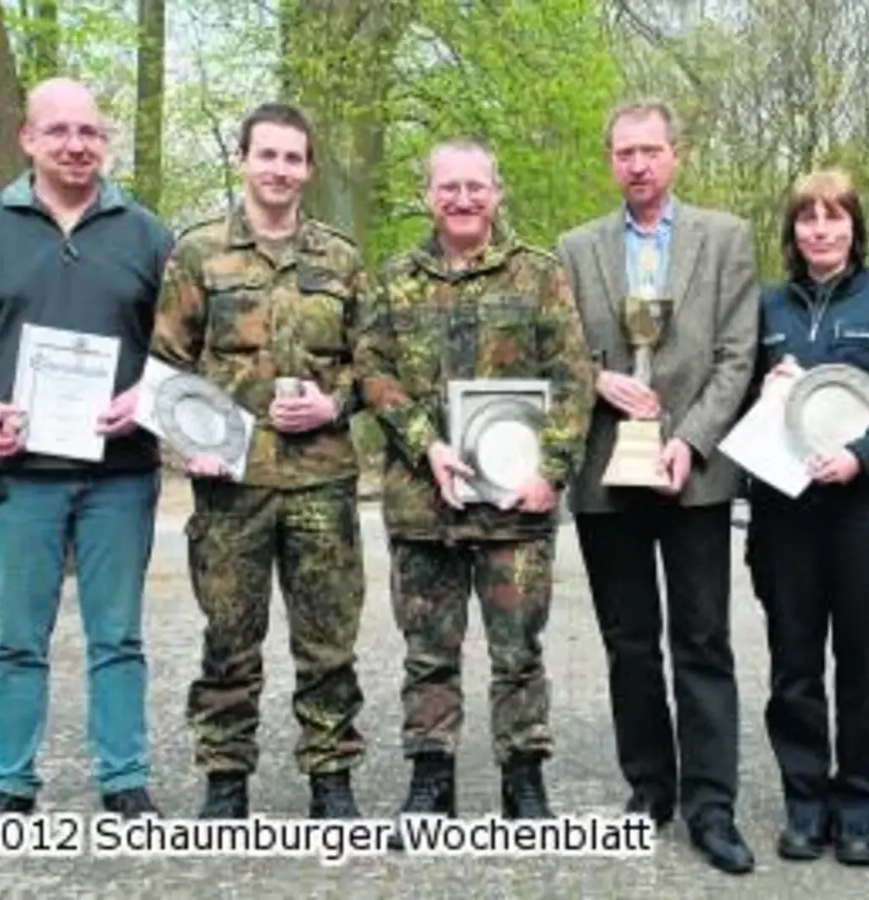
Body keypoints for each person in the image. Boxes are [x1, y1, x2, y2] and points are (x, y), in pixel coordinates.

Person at [0, 77, 174, 819]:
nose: (76, 145)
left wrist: (146, 399)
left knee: (118, 637)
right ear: (27, 139)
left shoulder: (148, 234)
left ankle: (125, 777)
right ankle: (9, 780)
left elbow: (184, 347)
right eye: (59, 131)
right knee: (16, 639)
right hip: (17, 471)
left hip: (120, 475)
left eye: (90, 132)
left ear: (107, 141)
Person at [118, 103, 371, 820]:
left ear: (309, 169)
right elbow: (165, 363)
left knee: (328, 638)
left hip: (321, 480)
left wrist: (334, 404)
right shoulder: (199, 254)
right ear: (244, 159)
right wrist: (187, 441)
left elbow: (373, 364)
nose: (281, 170)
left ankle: (330, 777)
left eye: (294, 158)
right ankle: (226, 779)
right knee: (229, 637)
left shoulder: (341, 260)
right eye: (269, 156)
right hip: (230, 485)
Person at [354, 138, 595, 837]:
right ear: (427, 194)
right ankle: (432, 779)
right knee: (428, 653)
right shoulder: (395, 278)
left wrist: (552, 473)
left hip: (515, 510)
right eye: (448, 187)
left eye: (476, 187)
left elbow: (573, 378)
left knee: (519, 653)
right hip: (424, 502)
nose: (463, 199)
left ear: (499, 191)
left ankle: (524, 782)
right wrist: (425, 443)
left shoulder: (539, 276)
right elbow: (371, 369)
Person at [555, 99, 760, 875]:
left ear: (677, 154)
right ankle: (649, 789)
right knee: (628, 644)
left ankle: (713, 806)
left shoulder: (727, 238)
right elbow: (557, 350)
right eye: (624, 153)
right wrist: (596, 379)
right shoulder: (574, 249)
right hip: (608, 474)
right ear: (610, 161)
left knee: (703, 641)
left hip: (694, 476)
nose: (637, 164)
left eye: (651, 150)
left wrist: (690, 441)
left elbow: (737, 356)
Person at [743, 169, 869, 867]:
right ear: (792, 230)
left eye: (834, 217)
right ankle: (805, 805)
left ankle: (860, 811)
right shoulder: (767, 307)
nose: (821, 230)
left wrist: (864, 455)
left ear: (855, 226)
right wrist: (763, 394)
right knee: (793, 672)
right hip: (786, 519)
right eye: (807, 218)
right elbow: (733, 399)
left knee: (864, 671)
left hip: (868, 514)